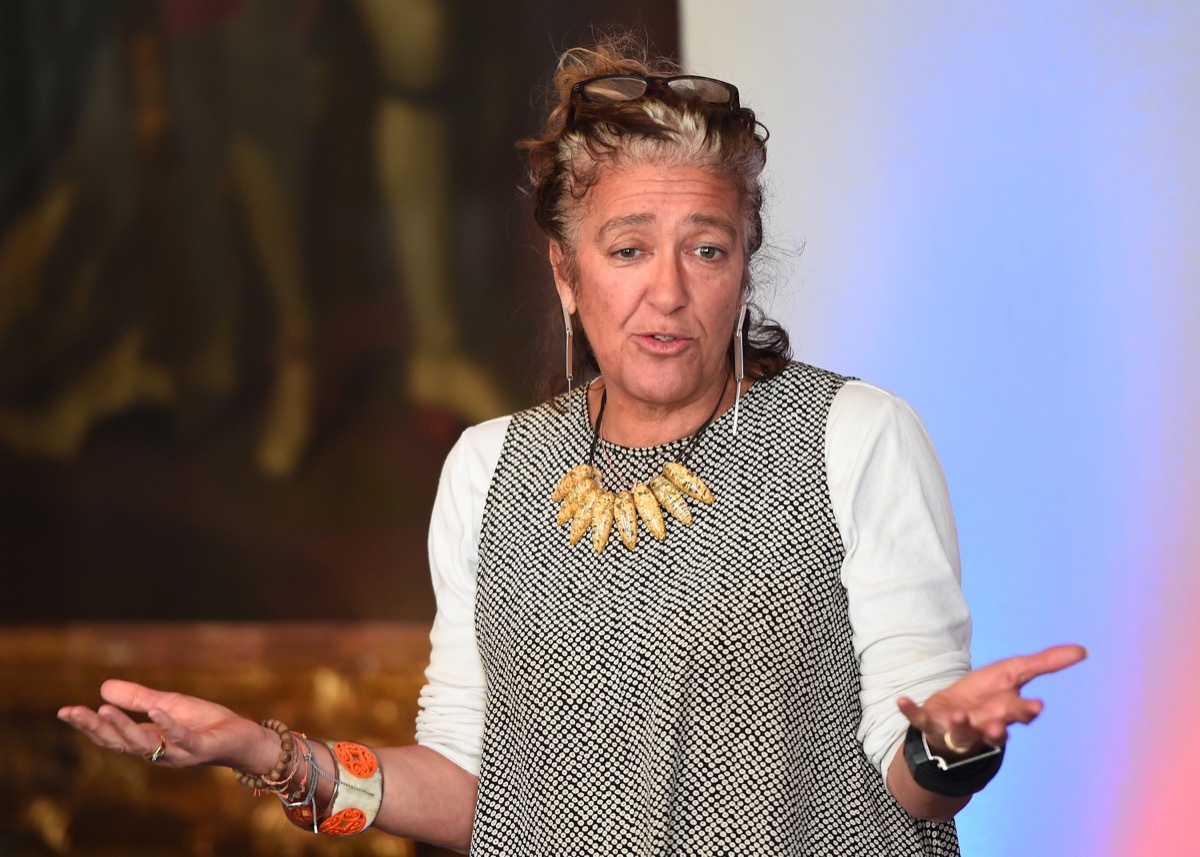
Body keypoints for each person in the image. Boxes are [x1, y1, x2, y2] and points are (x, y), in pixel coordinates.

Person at [58, 33, 1086, 855]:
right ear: (565, 271)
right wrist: (267, 751)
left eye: (707, 249)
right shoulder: (489, 468)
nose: (668, 290)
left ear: (744, 262)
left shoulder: (853, 436)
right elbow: (467, 782)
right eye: (629, 248)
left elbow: (906, 774)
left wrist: (951, 741)